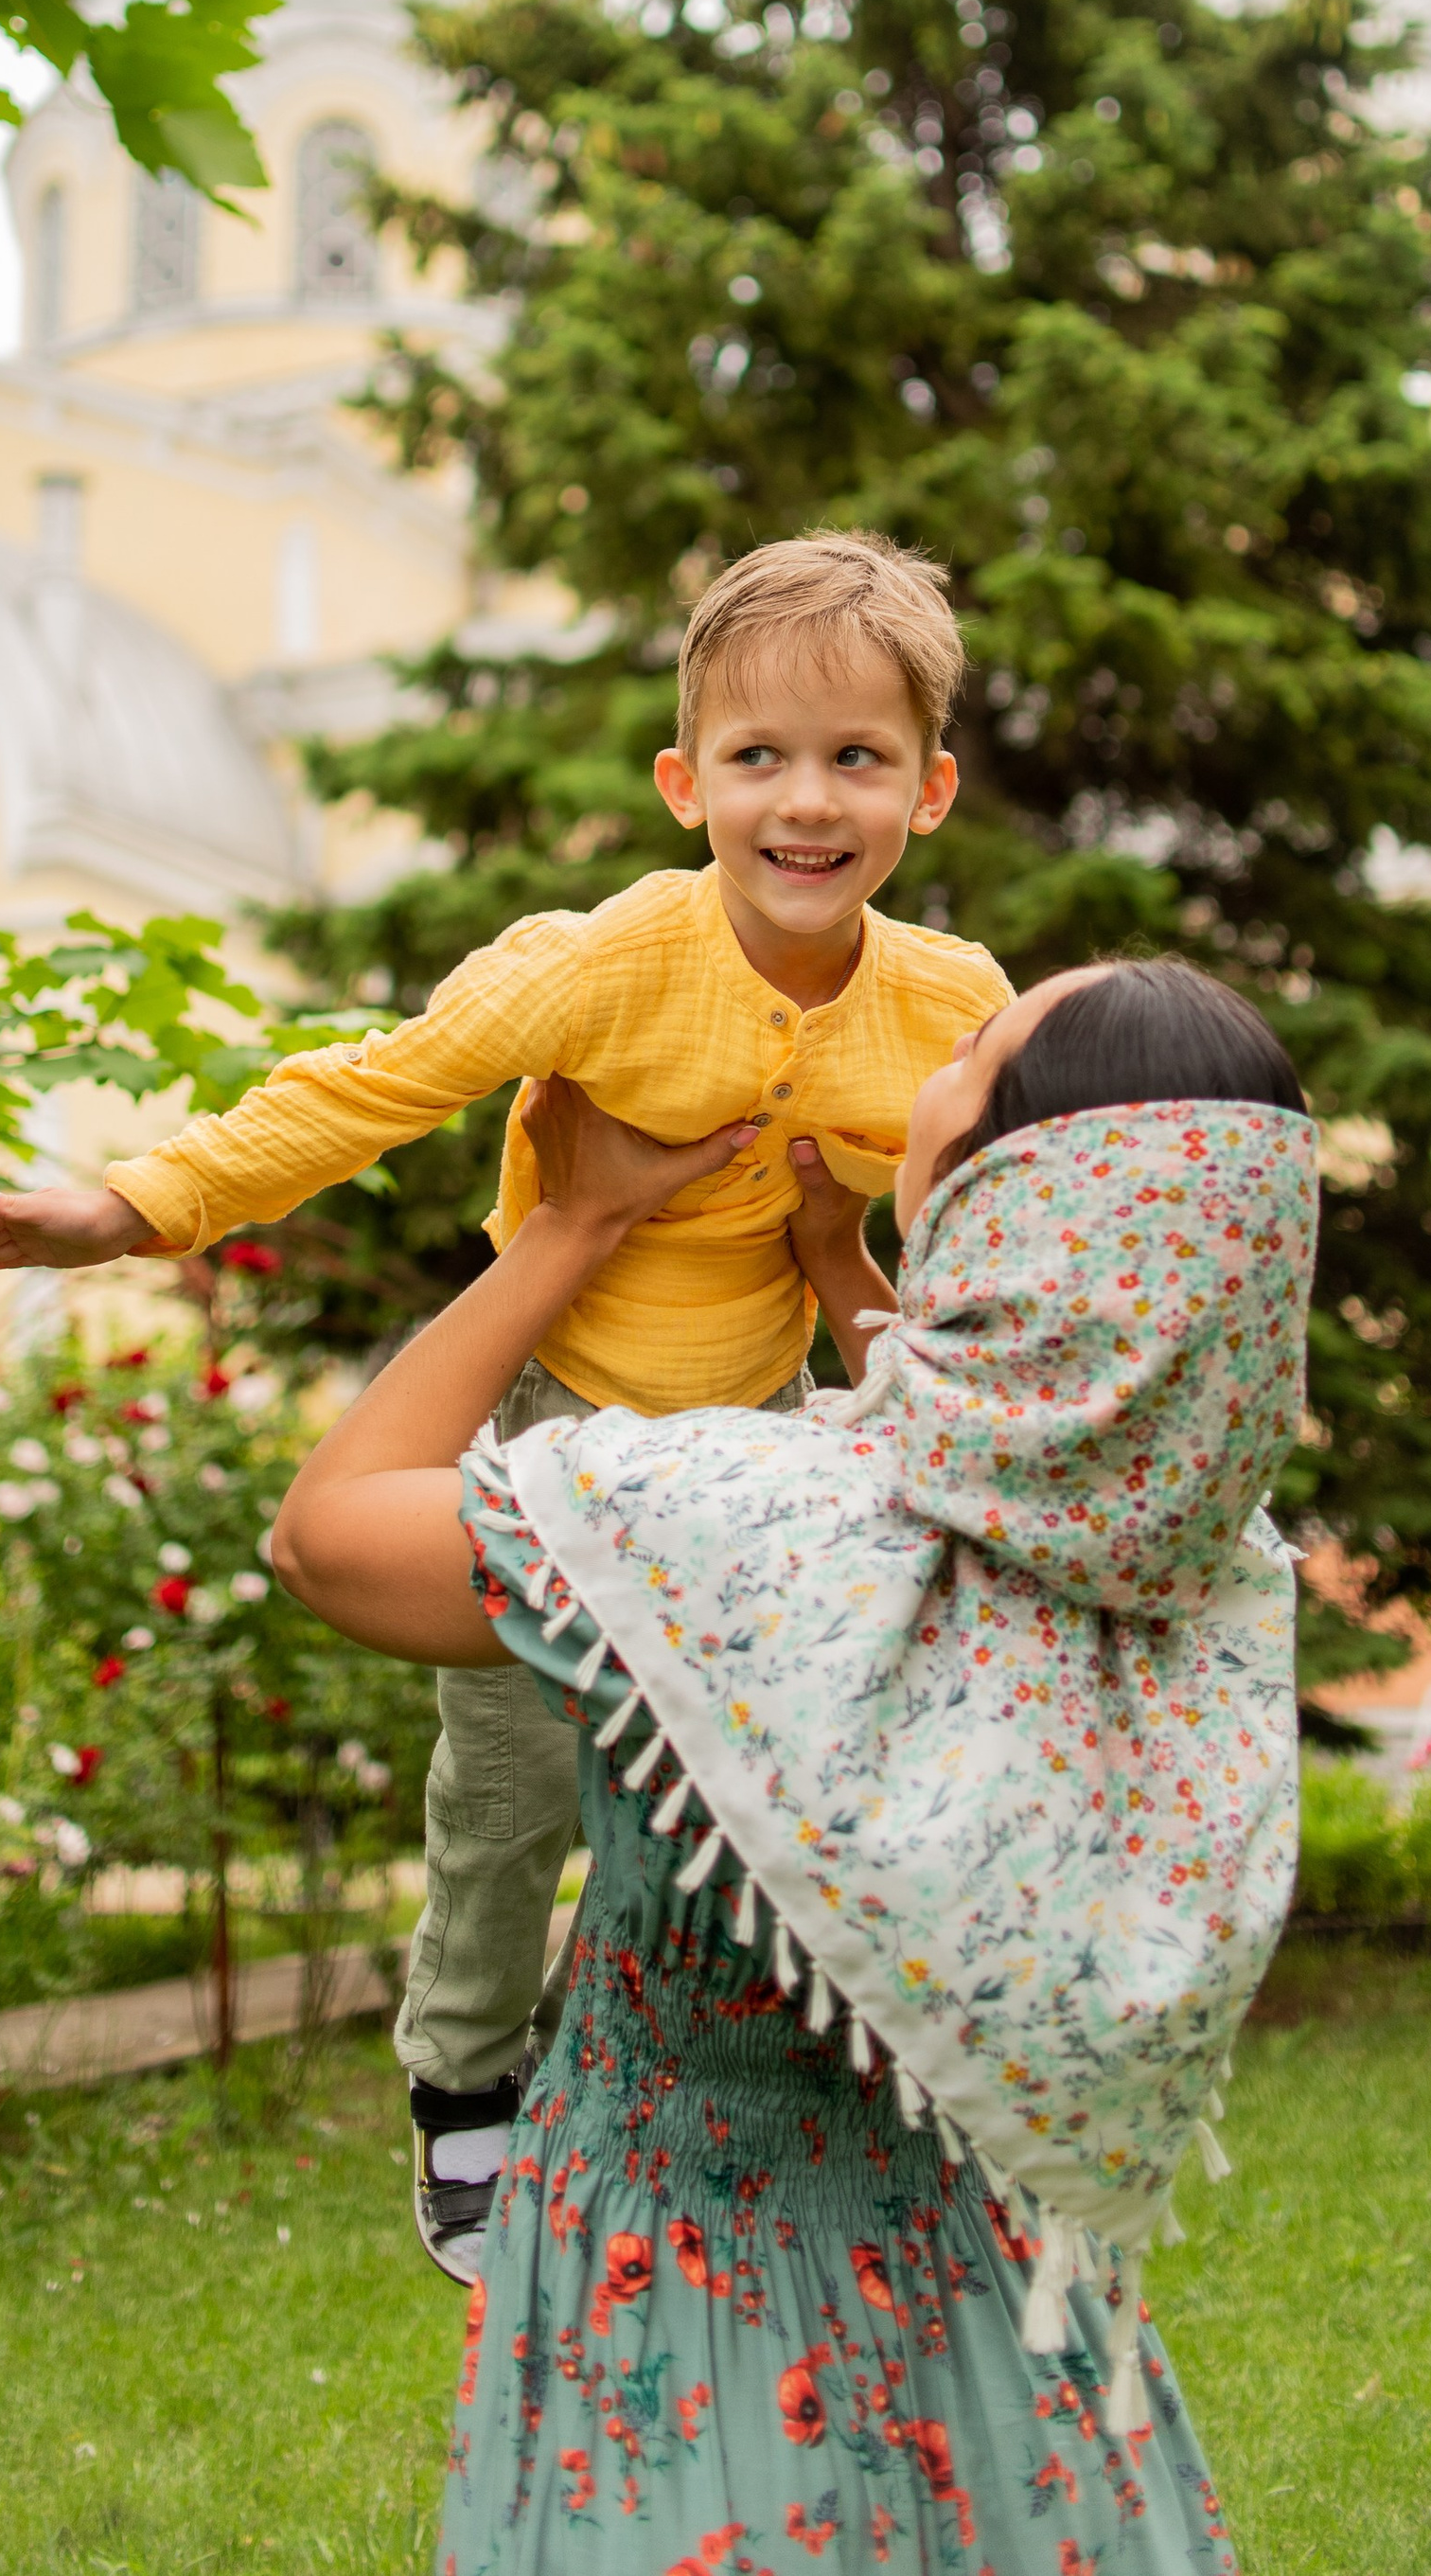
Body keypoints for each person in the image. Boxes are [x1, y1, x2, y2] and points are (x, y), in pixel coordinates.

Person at [0, 531, 1012, 2275]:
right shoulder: (595, 964)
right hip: (549, 1410)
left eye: (857, 759)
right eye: (758, 758)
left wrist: (875, 1284)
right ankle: (459, 2082)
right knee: (510, 1794)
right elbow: (372, 1088)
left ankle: (653, 2055)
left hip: (764, 1429)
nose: (806, 801)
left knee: (728, 1788)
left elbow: (1009, 1216)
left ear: (930, 790)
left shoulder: (957, 1006)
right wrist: (133, 1206)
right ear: (684, 783)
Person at [275, 953, 1320, 2571]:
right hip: (1003, 2339)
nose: (929, 1054)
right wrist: (841, 1259)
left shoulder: (719, 1525)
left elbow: (330, 1539)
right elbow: (974, 1446)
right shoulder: (1204, 1568)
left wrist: (576, 1225)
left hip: (679, 2315)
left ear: (1006, 1183)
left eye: (970, 1050)